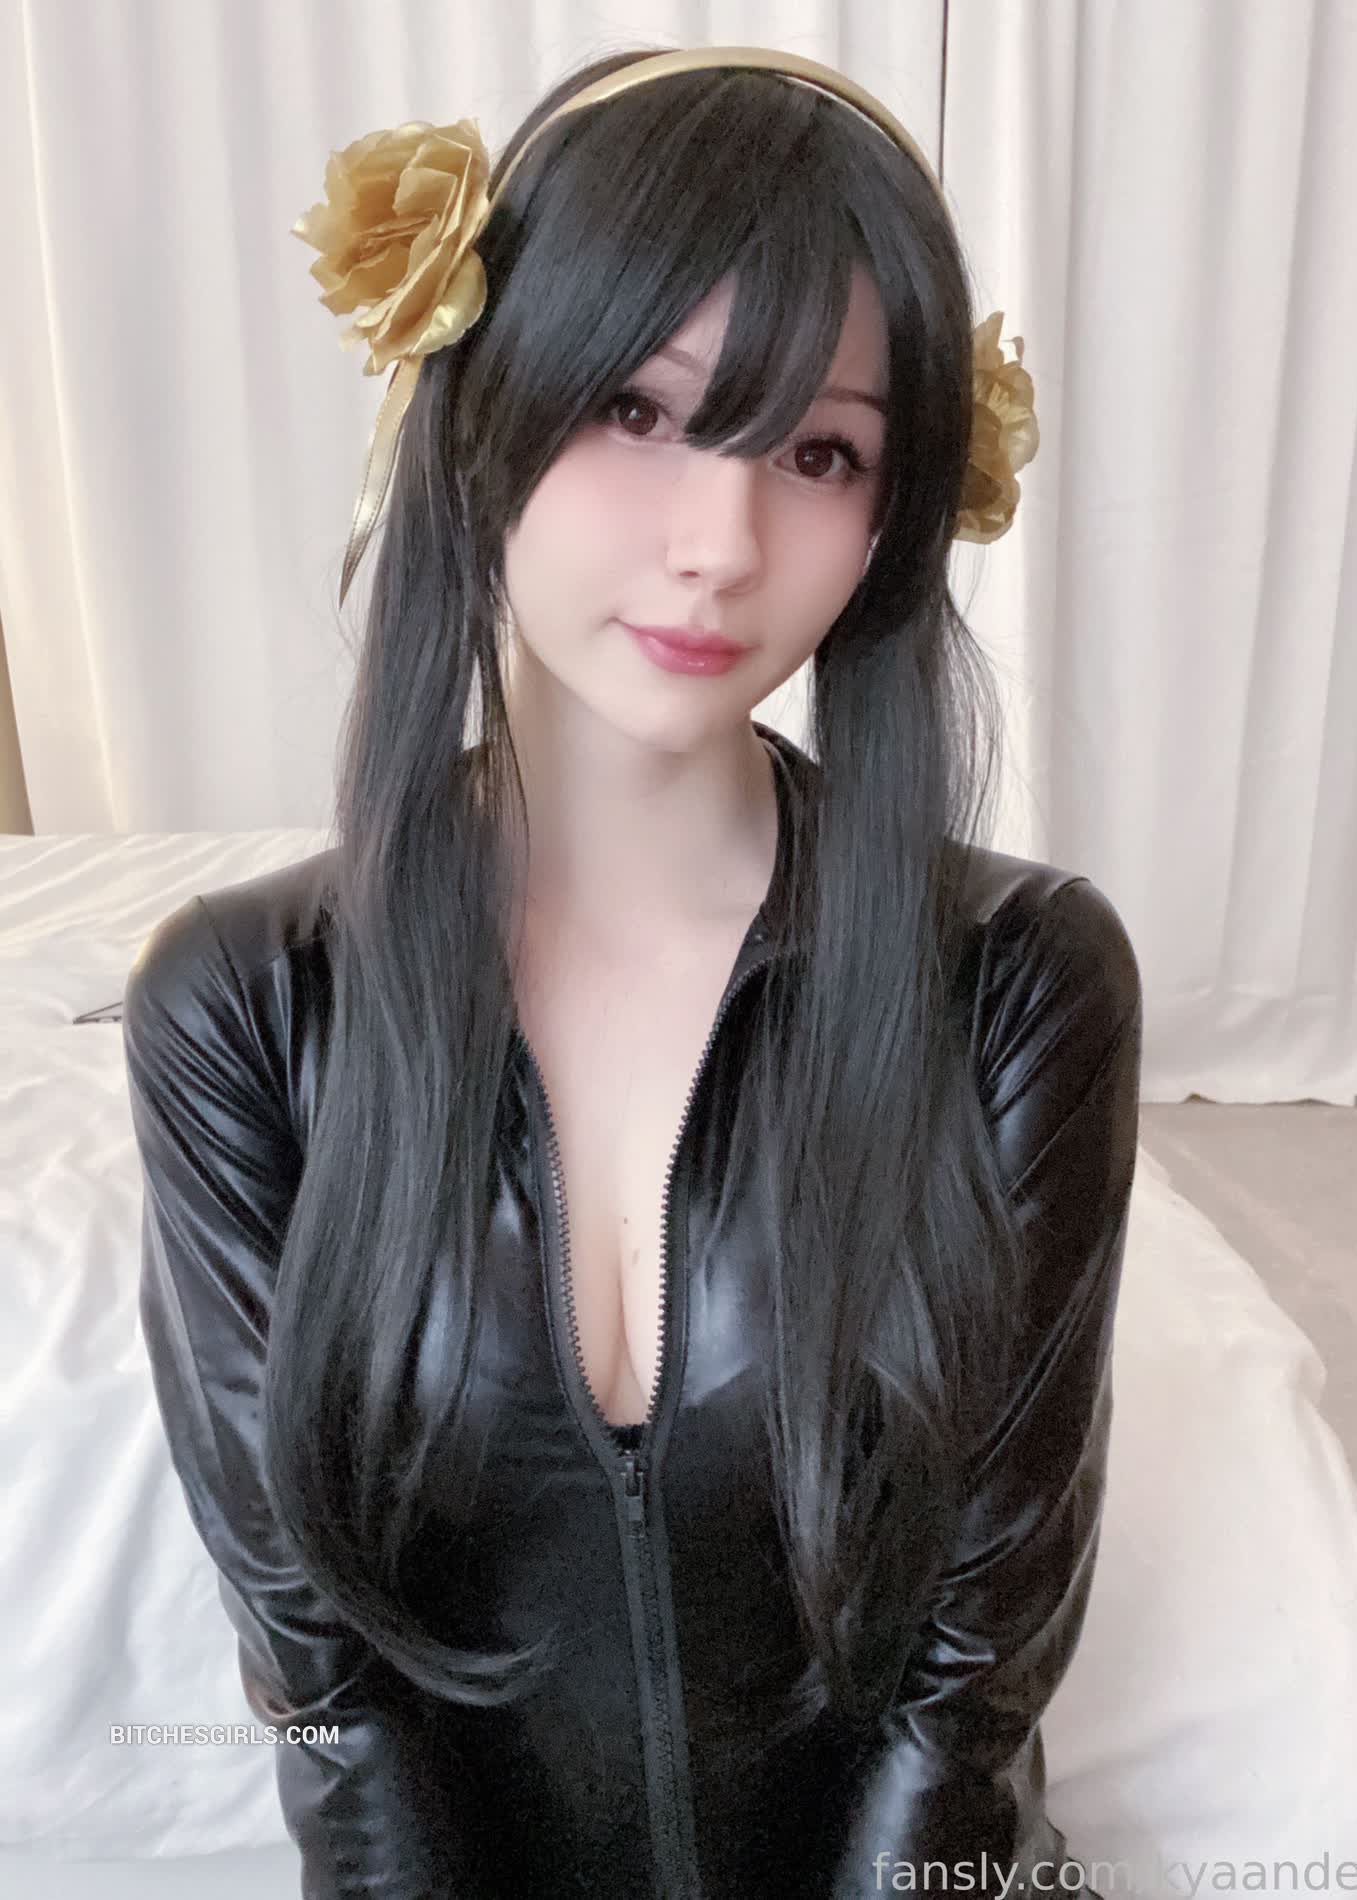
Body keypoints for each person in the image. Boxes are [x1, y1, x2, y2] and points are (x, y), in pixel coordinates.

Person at [122, 44, 1142, 1900]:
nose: (719, 546)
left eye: (820, 453)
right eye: (637, 408)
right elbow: (329, 1692)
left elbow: (963, 1697)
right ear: (475, 413)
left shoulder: (1017, 982)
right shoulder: (243, 1008)